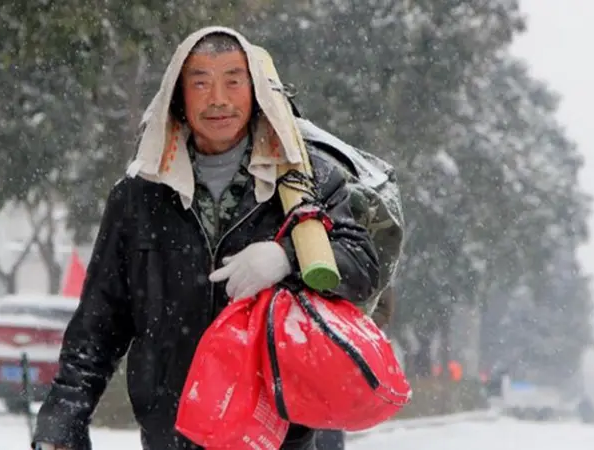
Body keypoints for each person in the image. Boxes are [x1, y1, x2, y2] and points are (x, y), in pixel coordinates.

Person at [33, 26, 380, 450]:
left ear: (256, 92)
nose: (218, 98)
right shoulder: (139, 197)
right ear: (178, 96)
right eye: (200, 82)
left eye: (233, 81)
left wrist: (285, 257)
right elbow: (99, 321)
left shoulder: (308, 181)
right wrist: (63, 419)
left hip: (283, 434)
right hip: (175, 429)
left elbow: (361, 266)